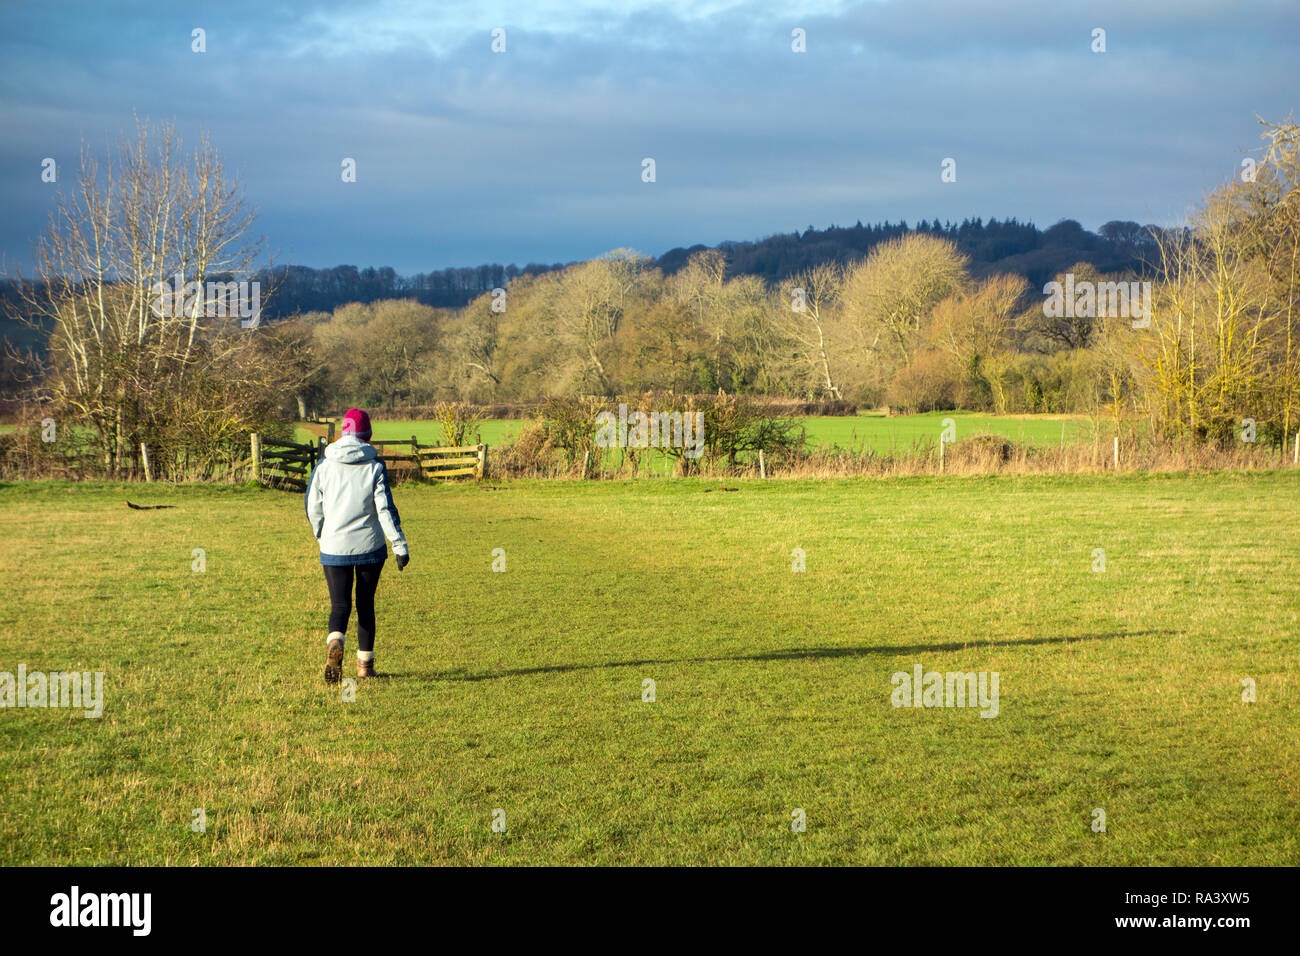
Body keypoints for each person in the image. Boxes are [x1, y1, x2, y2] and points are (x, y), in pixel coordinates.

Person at [305, 408, 409, 683]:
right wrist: (399, 545)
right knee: (365, 604)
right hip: (369, 548)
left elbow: (313, 508)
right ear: (368, 434)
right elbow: (385, 509)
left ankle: (336, 641)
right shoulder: (375, 466)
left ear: (342, 433)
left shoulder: (324, 466)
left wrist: (322, 535)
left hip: (333, 546)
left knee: (339, 605)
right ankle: (365, 666)